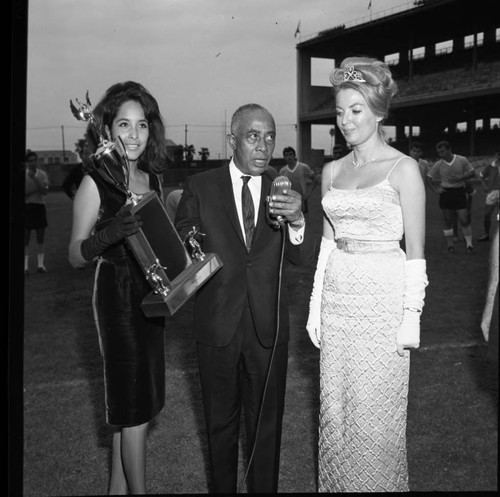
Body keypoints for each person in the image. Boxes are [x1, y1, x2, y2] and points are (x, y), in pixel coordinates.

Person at [175, 103, 311, 494]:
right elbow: (184, 248)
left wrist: (299, 220)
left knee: (266, 426)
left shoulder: (286, 187)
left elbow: (300, 257)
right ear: (232, 140)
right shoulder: (200, 187)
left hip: (268, 328)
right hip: (217, 325)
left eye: (270, 136)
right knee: (219, 426)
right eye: (254, 136)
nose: (264, 146)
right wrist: (189, 247)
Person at [306, 57, 428, 492]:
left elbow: (415, 252)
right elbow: (326, 243)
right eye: (339, 112)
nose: (346, 121)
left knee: (374, 419)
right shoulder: (331, 172)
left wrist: (411, 313)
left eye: (356, 110)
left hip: (382, 306)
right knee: (337, 414)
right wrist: (315, 306)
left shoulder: (404, 170)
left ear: (378, 112)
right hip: (338, 304)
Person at [68, 81, 167, 495]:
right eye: (123, 124)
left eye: (141, 124)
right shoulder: (95, 182)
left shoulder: (152, 179)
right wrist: (108, 234)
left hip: (151, 301)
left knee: (133, 405)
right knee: (134, 408)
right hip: (115, 298)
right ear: (106, 129)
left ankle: (116, 490)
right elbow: (74, 254)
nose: (133, 134)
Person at [427, 140, 476, 253]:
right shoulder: (439, 164)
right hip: (446, 193)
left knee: (464, 219)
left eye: (442, 151)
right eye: (439, 152)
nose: (441, 154)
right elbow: (429, 178)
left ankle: (469, 244)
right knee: (448, 220)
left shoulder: (461, 160)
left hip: (459, 192)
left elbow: (472, 173)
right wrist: (436, 189)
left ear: (449, 150)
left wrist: (459, 179)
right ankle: (450, 245)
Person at [24, 150, 50, 274]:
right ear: (27, 162)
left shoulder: (42, 174)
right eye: (30, 161)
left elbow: (45, 191)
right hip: (27, 208)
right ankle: (25, 267)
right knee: (25, 238)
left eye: (34, 160)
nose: (32, 163)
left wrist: (34, 179)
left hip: (39, 207)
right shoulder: (23, 175)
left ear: (37, 161)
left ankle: (40, 265)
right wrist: (36, 189)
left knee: (40, 237)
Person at [279, 146, 316, 213]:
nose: (289, 157)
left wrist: (308, 194)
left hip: (301, 200)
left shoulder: (303, 167)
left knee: (302, 222)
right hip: (288, 201)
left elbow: (314, 179)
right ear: (284, 157)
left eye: (291, 154)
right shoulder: (282, 171)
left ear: (294, 155)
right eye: (287, 155)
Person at [477, 151, 500, 241]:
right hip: (492, 192)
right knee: (487, 214)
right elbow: (481, 176)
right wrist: (485, 186)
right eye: (498, 154)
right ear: (496, 155)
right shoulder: (491, 166)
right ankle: (486, 234)